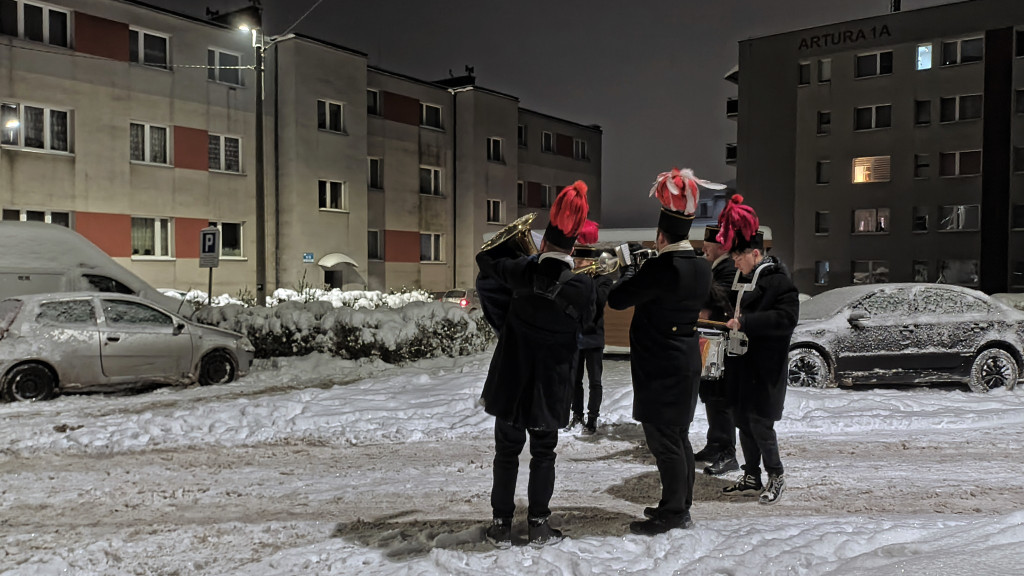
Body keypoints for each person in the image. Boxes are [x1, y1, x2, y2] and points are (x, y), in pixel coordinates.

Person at [476, 181, 596, 548]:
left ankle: (500, 526)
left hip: (511, 380)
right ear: (575, 244)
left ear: (543, 241)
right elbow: (587, 328)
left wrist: (529, 266)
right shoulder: (583, 288)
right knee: (544, 454)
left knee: (506, 452)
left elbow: (485, 261)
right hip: (551, 384)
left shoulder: (521, 273)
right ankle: (539, 525)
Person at [608, 168, 721, 535]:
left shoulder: (662, 267)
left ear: (660, 235)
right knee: (679, 437)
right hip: (685, 358)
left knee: (664, 441)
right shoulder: (701, 266)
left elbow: (619, 298)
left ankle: (675, 512)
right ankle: (678, 504)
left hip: (660, 365)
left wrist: (627, 269)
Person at [716, 195, 799, 506]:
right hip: (741, 365)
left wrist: (747, 321)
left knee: (761, 424)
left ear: (755, 253)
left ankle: (776, 475)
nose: (735, 264)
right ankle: (751, 476)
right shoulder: (742, 281)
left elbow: (787, 319)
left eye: (738, 258)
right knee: (742, 421)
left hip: (765, 368)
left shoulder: (779, 282)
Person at [694, 226, 740, 476]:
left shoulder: (727, 269)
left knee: (720, 399)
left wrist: (699, 283)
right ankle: (714, 444)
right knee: (711, 395)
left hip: (721, 342)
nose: (704, 249)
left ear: (722, 246)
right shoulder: (717, 267)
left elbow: (720, 297)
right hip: (711, 339)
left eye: (707, 244)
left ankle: (727, 452)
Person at [565, 220, 615, 435]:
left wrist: (588, 280)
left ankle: (592, 418)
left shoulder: (603, 280)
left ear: (592, 261)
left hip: (594, 336)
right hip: (575, 336)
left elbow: (601, 300)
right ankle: (576, 415)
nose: (578, 263)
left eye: (582, 260)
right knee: (575, 380)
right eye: (577, 259)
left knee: (595, 380)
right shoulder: (573, 279)